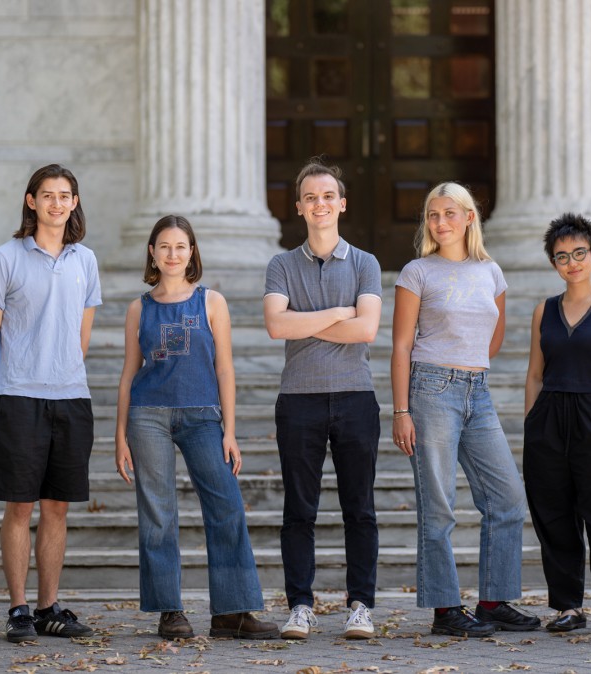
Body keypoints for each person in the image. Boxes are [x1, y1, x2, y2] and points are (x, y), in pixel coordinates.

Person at [115, 215, 278, 640]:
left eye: (181, 246)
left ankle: (232, 612)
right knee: (158, 513)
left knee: (226, 506)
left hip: (204, 416)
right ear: (152, 251)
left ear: (192, 252)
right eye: (164, 246)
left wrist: (230, 430)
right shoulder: (139, 308)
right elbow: (129, 373)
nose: (172, 253)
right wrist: (119, 435)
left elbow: (224, 367)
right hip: (147, 416)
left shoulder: (211, 302)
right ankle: (169, 611)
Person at [391, 182, 540, 637]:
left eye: (450, 213)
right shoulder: (417, 272)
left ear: (469, 217)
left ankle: (493, 602)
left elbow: (494, 333)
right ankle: (445, 610)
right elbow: (400, 345)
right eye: (433, 215)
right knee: (439, 506)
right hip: (432, 387)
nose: (440, 222)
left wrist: (474, 365)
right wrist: (401, 410)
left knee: (508, 498)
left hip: (478, 389)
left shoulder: (490, 271)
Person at [0, 164, 101, 643]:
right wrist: (6, 386)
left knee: (57, 509)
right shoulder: (5, 257)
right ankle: (18, 609)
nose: (56, 203)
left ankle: (49, 607)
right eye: (46, 195)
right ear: (31, 201)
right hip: (18, 399)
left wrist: (60, 373)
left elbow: (81, 335)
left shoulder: (85, 260)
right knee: (19, 508)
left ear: (74, 202)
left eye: (64, 195)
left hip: (71, 397)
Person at [264, 160, 382, 640]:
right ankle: (300, 606)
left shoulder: (365, 263)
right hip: (299, 399)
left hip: (355, 397)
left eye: (328, 196)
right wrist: (337, 313)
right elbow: (276, 326)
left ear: (342, 203)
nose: (320, 204)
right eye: (311, 197)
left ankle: (361, 606)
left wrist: (305, 320)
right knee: (299, 511)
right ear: (299, 207)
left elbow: (367, 329)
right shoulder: (281, 264)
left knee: (361, 509)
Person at [522, 213, 591, 637]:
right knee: (554, 513)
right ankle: (568, 605)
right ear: (554, 263)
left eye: (579, 254)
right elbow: (534, 373)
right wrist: (533, 422)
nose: (572, 263)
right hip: (549, 417)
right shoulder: (544, 311)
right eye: (562, 257)